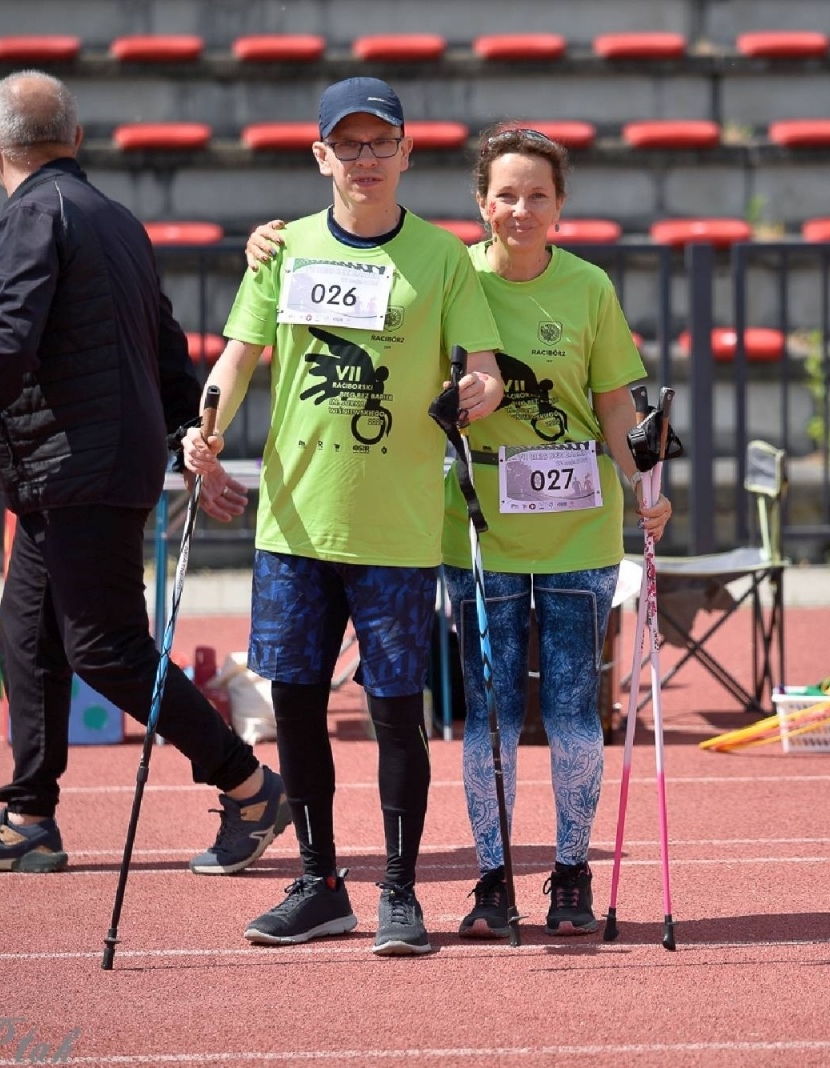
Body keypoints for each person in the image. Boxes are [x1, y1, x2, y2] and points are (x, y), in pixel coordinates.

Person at [245, 124, 671, 938]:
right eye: (505, 195)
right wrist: (270, 243)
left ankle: (573, 874)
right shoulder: (446, 271)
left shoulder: (589, 289)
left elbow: (619, 404)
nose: (520, 209)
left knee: (577, 716)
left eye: (537, 195)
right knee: (492, 716)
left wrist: (646, 484)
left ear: (561, 207)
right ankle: (490, 878)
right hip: (476, 534)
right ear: (482, 204)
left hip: (580, 535)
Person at [0, 71, 289, 878]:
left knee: (106, 648)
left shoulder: (29, 218)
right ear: (76, 140)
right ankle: (27, 817)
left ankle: (250, 786)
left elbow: (9, 345)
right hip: (82, 470)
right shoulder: (114, 219)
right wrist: (194, 429)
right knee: (29, 641)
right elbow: (165, 342)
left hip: (76, 469)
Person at [182, 77, 505, 955]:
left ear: (406, 152)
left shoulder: (443, 258)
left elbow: (484, 364)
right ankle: (321, 883)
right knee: (296, 706)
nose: (364, 159)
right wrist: (202, 431)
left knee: (398, 709)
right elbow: (236, 361)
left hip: (396, 527)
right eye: (347, 144)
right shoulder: (280, 250)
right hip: (294, 525)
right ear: (321, 154)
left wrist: (480, 387)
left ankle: (399, 891)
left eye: (379, 143)